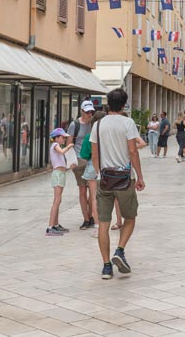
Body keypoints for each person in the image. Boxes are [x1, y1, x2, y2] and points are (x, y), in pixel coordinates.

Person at [92, 88, 145, 280]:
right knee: (130, 217)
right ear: (124, 105)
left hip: (104, 180)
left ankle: (106, 266)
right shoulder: (128, 123)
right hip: (124, 179)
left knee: (103, 225)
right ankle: (120, 250)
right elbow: (133, 151)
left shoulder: (97, 125)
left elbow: (95, 154)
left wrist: (99, 173)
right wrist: (139, 176)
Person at [69, 100, 95, 230]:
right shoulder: (75, 125)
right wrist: (70, 161)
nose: (89, 114)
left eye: (91, 112)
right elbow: (69, 143)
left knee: (93, 192)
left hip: (92, 160)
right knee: (83, 190)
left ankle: (91, 216)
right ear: (81, 111)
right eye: (87, 112)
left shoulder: (94, 124)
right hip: (79, 160)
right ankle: (86, 218)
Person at [46, 128, 75, 236]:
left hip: (61, 174)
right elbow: (62, 151)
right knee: (57, 200)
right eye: (62, 137)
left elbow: (62, 164)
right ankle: (50, 227)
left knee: (58, 200)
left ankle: (56, 225)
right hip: (58, 175)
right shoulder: (54, 145)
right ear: (56, 138)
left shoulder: (57, 147)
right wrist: (69, 146)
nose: (64, 139)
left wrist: (70, 167)